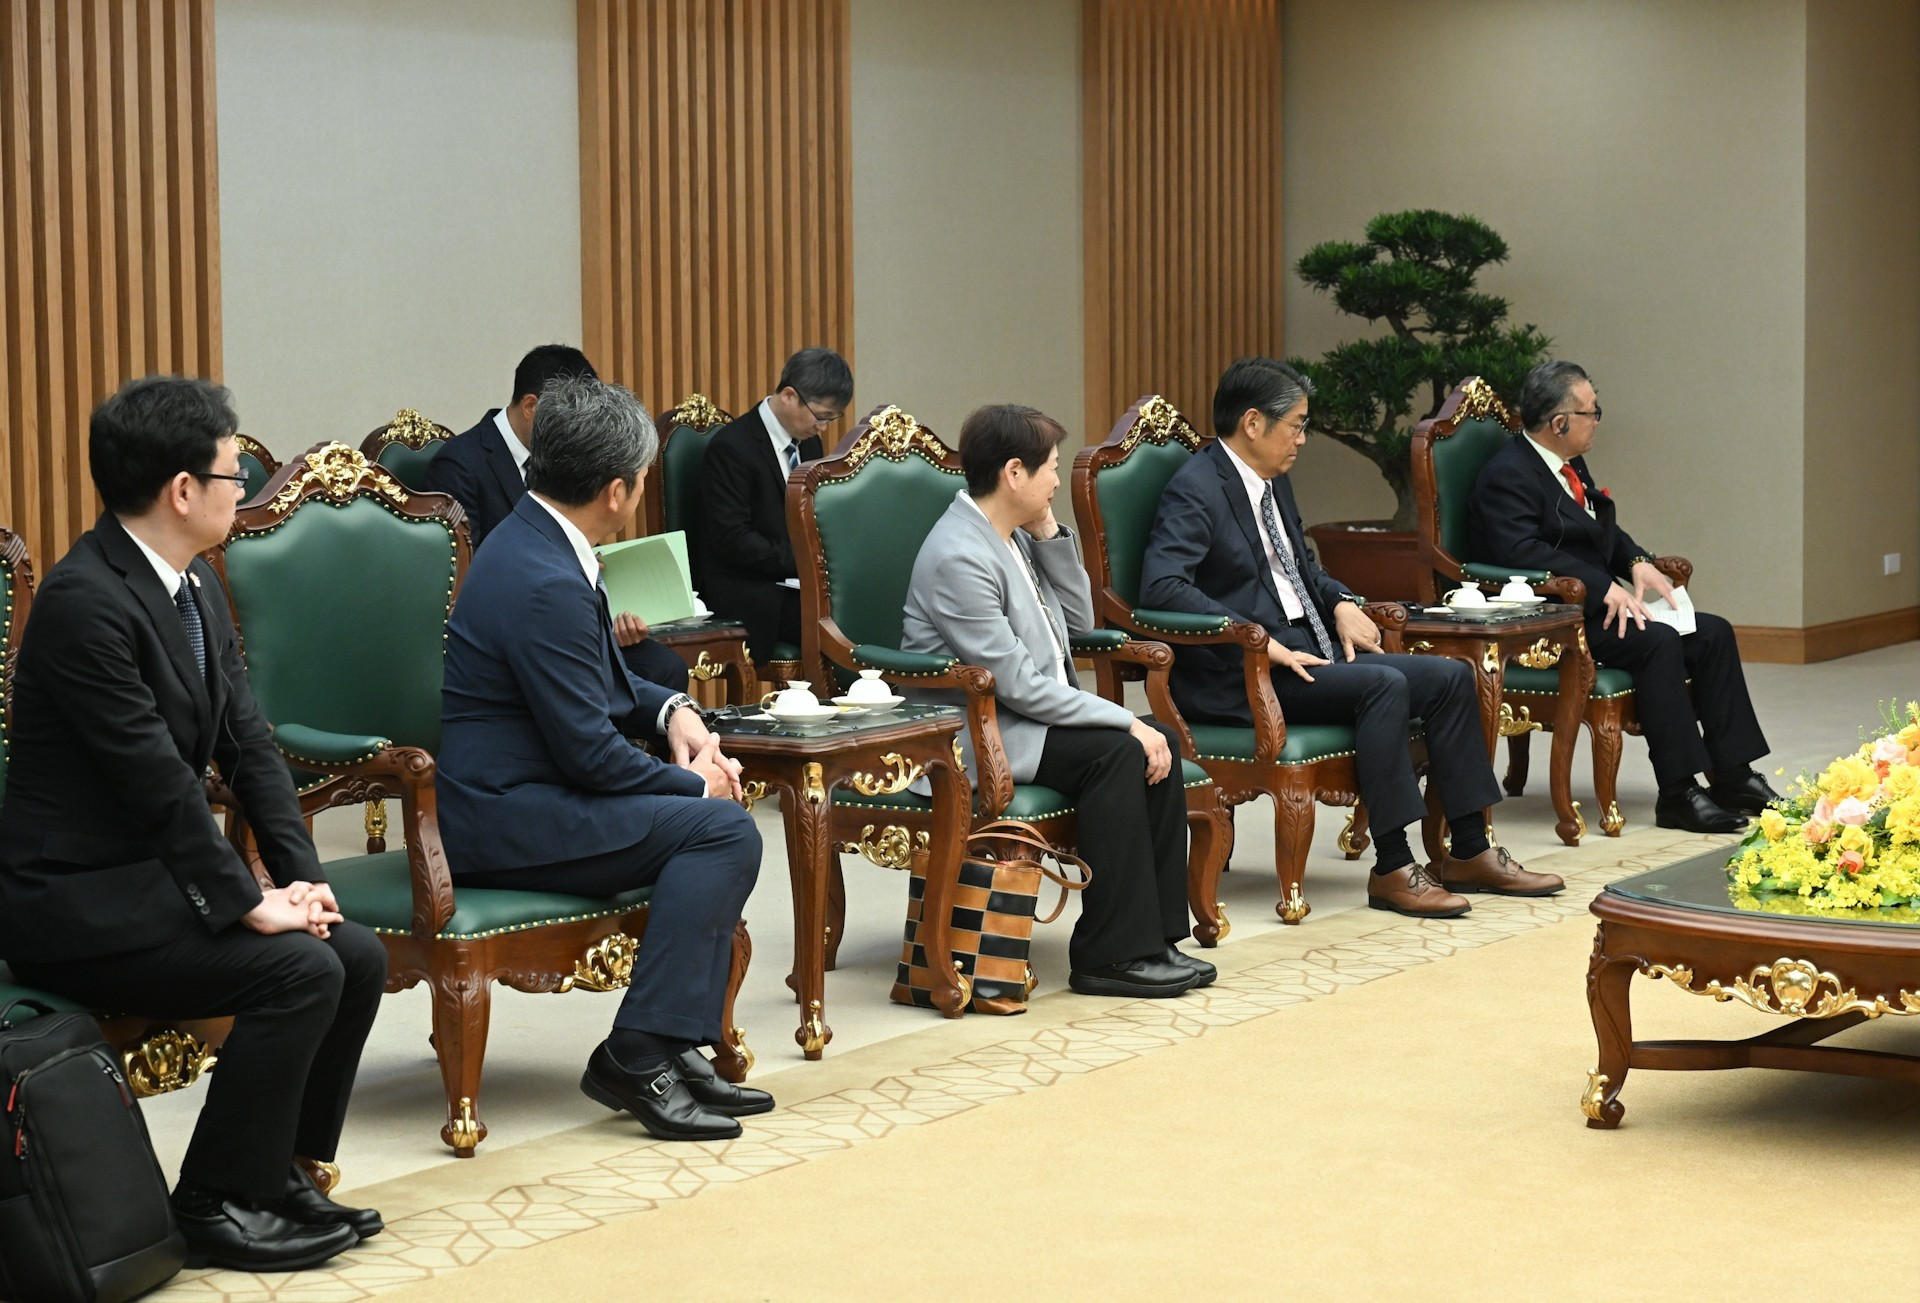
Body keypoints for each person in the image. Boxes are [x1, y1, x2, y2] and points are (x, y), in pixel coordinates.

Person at [0, 377, 387, 1272]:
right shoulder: (85, 602)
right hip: (78, 901)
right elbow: (154, 784)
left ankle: (279, 1173)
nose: (241, 492)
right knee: (294, 968)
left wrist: (304, 877)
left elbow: (249, 745)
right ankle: (214, 1198)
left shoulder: (190, 586)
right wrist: (246, 903)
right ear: (182, 490)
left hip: (153, 883)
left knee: (352, 951)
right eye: (231, 473)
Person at [436, 374, 772, 1142]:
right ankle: (640, 1050)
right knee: (720, 831)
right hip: (505, 818)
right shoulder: (543, 575)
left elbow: (603, 678)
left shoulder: (536, 537)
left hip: (532, 792)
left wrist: (674, 709)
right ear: (619, 491)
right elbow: (589, 752)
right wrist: (694, 781)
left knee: (713, 828)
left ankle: (667, 1039)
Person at [1140, 357, 1564, 917]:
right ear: (1252, 423)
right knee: (1383, 684)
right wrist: (1255, 638)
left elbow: (1300, 570)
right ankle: (1392, 865)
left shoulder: (1272, 482)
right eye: (1296, 424)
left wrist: (1339, 601)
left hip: (1306, 654)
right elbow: (1161, 586)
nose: (1303, 439)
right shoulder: (1197, 488)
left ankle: (1469, 849)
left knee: (1449, 676)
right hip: (1245, 674)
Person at [901, 404, 1212, 997]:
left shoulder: (1009, 535)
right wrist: (1125, 721)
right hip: (978, 733)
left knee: (1159, 741)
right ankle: (1109, 956)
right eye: (1048, 469)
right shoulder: (959, 555)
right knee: (1120, 752)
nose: (1054, 483)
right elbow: (1015, 683)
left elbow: (1077, 623)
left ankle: (1154, 939)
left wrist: (1048, 536)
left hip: (1026, 717)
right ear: (1013, 473)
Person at [1468, 360, 1774, 833]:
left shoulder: (1569, 463)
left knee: (1712, 633)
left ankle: (1732, 774)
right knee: (1658, 643)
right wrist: (1601, 586)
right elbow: (1519, 553)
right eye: (1592, 412)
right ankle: (1677, 792)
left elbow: (1598, 530)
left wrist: (1636, 562)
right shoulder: (1507, 475)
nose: (1598, 420)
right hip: (1553, 616)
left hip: (1599, 604)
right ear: (1559, 423)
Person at [427, 343, 689, 692]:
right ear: (531, 406)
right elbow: (463, 574)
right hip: (514, 630)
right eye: (570, 412)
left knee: (664, 669)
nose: (579, 426)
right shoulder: (460, 463)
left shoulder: (566, 458)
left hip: (574, 612)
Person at [700, 347, 850, 661]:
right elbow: (733, 541)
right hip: (753, 589)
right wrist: (807, 561)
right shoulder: (732, 448)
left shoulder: (809, 441)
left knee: (866, 604)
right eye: (820, 416)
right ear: (789, 395)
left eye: (831, 419)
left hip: (798, 583)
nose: (822, 428)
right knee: (845, 623)